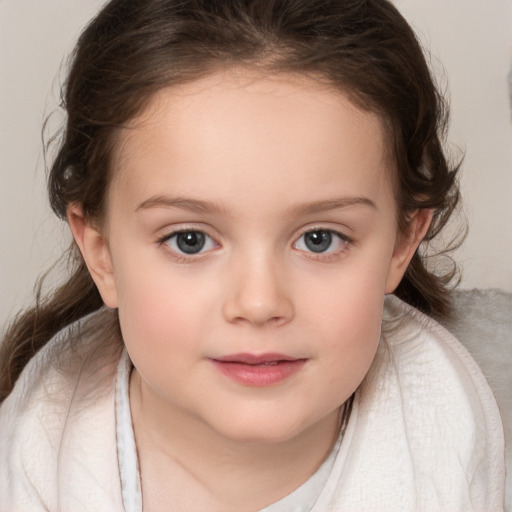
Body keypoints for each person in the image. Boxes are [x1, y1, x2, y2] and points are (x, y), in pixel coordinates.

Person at [0, 0, 505, 510]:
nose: (260, 303)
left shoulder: (476, 430)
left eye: (319, 239)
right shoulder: (28, 462)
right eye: (190, 240)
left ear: (402, 243)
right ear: (101, 252)